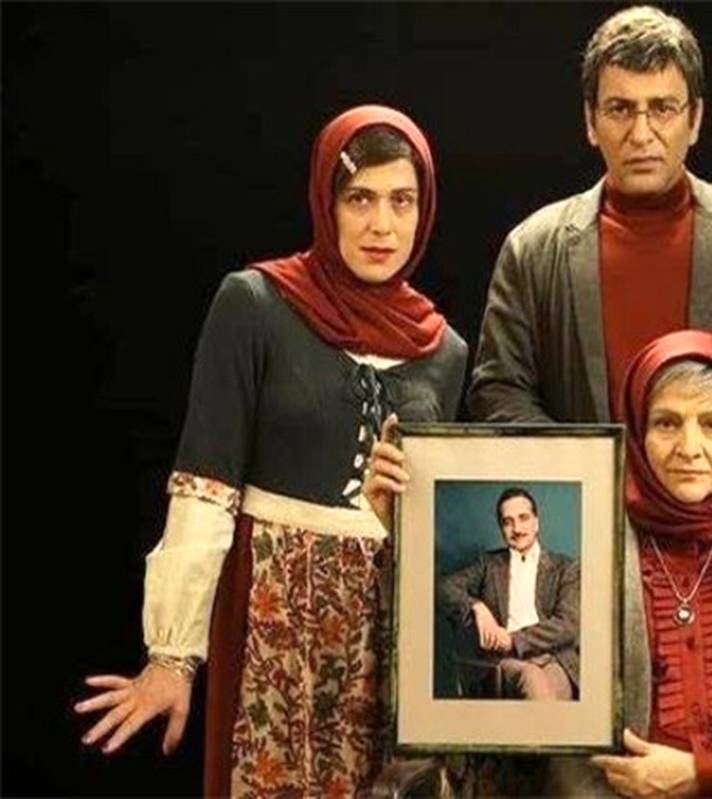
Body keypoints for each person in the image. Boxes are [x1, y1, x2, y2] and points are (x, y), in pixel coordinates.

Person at [74, 105, 468, 796]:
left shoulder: (445, 351)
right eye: (360, 198)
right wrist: (172, 656)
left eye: (401, 201)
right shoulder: (255, 305)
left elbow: (442, 531)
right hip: (273, 616)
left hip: (385, 636)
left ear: (424, 208)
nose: (382, 224)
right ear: (326, 202)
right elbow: (206, 483)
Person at [369, 330, 712, 795]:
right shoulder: (595, 540)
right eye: (667, 423)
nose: (690, 448)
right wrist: (409, 523)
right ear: (636, 432)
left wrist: (710, 765)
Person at [466, 5, 712, 499]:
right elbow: (499, 391)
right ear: (591, 120)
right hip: (590, 525)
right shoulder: (531, 248)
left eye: (662, 108)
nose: (641, 134)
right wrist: (585, 479)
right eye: (620, 109)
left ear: (695, 119)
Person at [437, 487, 580, 701]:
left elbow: (568, 625)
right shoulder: (488, 564)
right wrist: (477, 607)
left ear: (536, 522)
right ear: (501, 528)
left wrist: (513, 640)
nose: (517, 529)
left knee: (551, 692)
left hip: (554, 658)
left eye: (523, 518)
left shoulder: (565, 567)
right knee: (532, 679)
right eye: (508, 522)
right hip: (505, 660)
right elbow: (444, 588)